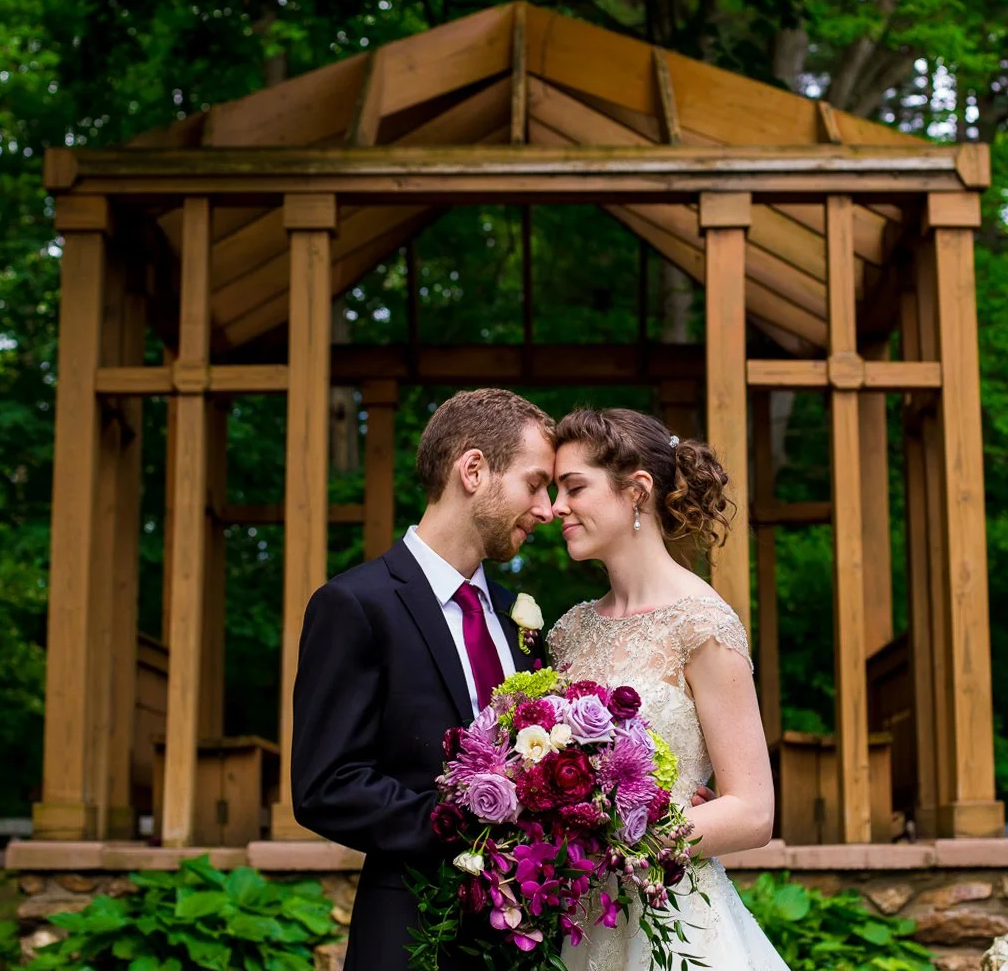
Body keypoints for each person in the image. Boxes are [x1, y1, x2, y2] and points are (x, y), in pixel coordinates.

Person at [290, 388, 557, 971]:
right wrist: (469, 822)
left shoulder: (522, 618)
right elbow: (326, 785)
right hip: (410, 938)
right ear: (473, 469)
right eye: (535, 484)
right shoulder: (355, 604)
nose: (547, 509)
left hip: (529, 946)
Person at [546, 407, 784, 970]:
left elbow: (753, 812)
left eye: (574, 487)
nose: (556, 507)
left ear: (637, 490)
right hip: (578, 917)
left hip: (670, 918)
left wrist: (618, 840)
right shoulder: (568, 631)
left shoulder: (702, 624)